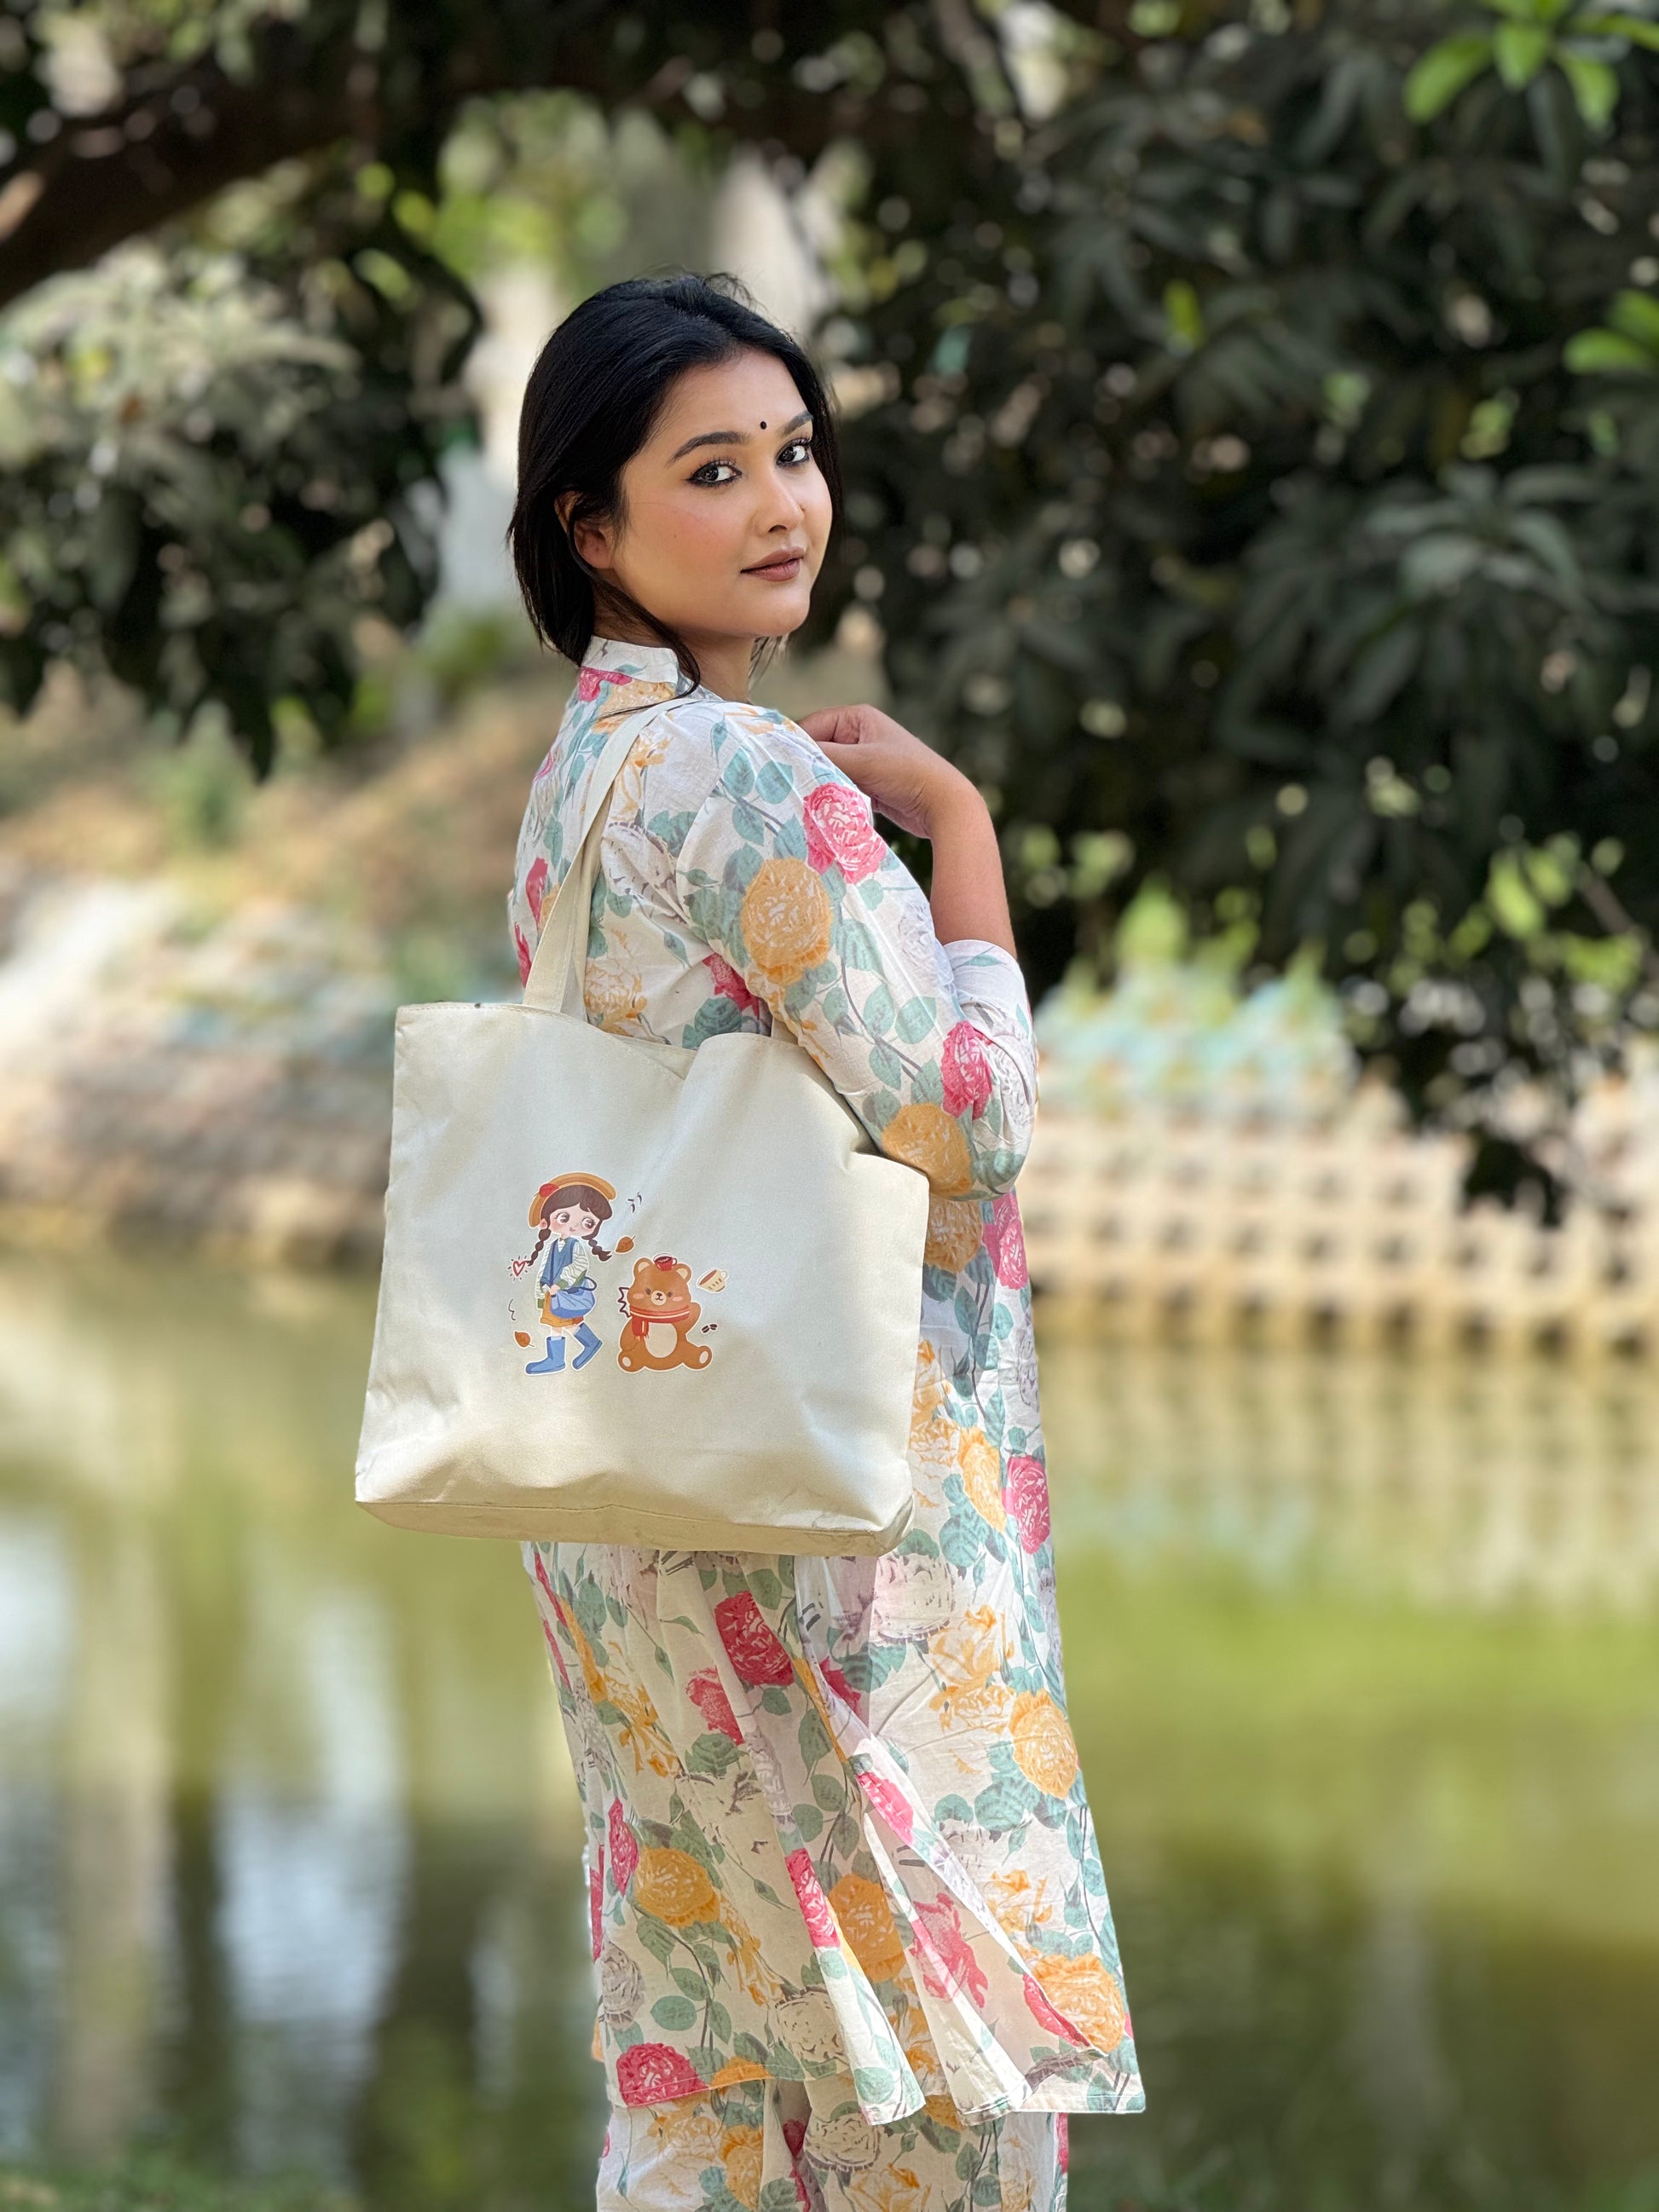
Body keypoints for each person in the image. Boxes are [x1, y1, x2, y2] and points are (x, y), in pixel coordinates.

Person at [506, 274, 1142, 2212]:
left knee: (713, 2055)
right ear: (591, 531)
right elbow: (966, 1116)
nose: (783, 502)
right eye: (714, 469)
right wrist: (957, 827)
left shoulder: (585, 778)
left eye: (794, 452)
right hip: (824, 1521)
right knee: (927, 2079)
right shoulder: (746, 773)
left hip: (642, 1494)